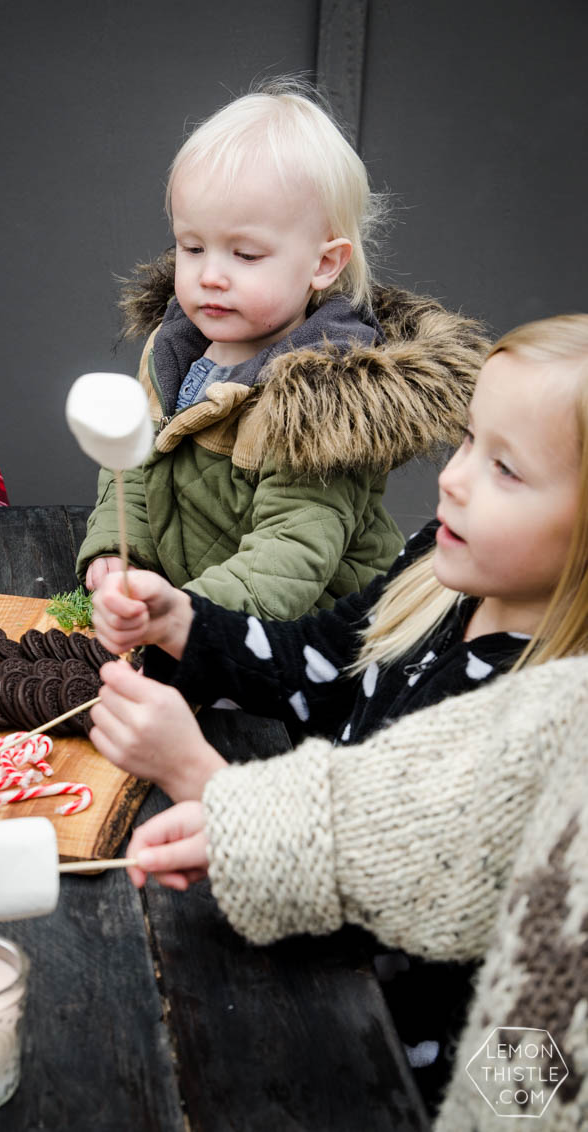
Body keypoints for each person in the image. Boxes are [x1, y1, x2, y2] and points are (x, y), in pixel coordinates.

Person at [88, 311, 588, 1112]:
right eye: (466, 442)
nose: (454, 478)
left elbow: (374, 908)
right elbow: (318, 665)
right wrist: (182, 622)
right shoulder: (437, 570)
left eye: (507, 470)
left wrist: (201, 779)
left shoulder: (541, 717)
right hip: (320, 979)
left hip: (400, 1055)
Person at [76, 79, 487, 619]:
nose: (210, 276)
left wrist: (184, 623)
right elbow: (132, 464)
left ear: (323, 264)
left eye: (245, 255)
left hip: (313, 645)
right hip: (203, 613)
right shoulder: (173, 347)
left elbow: (288, 559)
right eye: (192, 247)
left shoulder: (324, 403)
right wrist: (118, 547)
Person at [120, 657, 588, 1130]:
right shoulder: (566, 702)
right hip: (511, 1045)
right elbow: (439, 813)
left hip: (498, 1049)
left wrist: (207, 781)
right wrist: (253, 821)